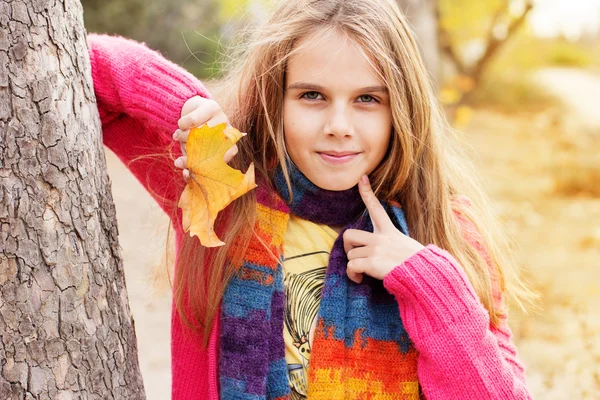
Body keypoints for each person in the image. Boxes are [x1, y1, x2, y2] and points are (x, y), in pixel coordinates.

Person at [88, 0, 535, 398]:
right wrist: (189, 109)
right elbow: (89, 67)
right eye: (312, 96)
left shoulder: (446, 230)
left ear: (402, 107)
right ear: (274, 99)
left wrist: (428, 282)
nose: (338, 125)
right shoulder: (225, 191)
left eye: (367, 99)